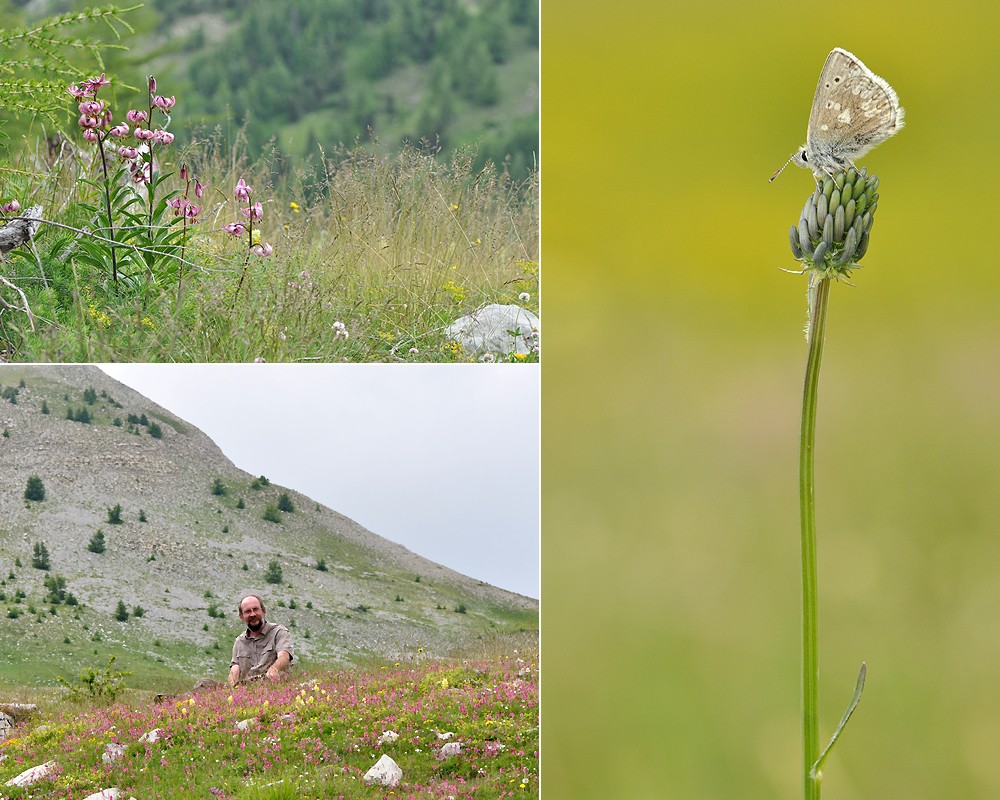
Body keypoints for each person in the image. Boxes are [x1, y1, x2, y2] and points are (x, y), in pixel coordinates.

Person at [228, 593, 294, 685]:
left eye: (255, 609)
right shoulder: (239, 642)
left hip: (273, 684)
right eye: (247, 611)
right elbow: (235, 669)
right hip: (248, 689)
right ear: (242, 617)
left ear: (263, 611)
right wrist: (231, 688)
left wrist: (274, 669)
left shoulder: (279, 632)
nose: (252, 614)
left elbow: (284, 656)